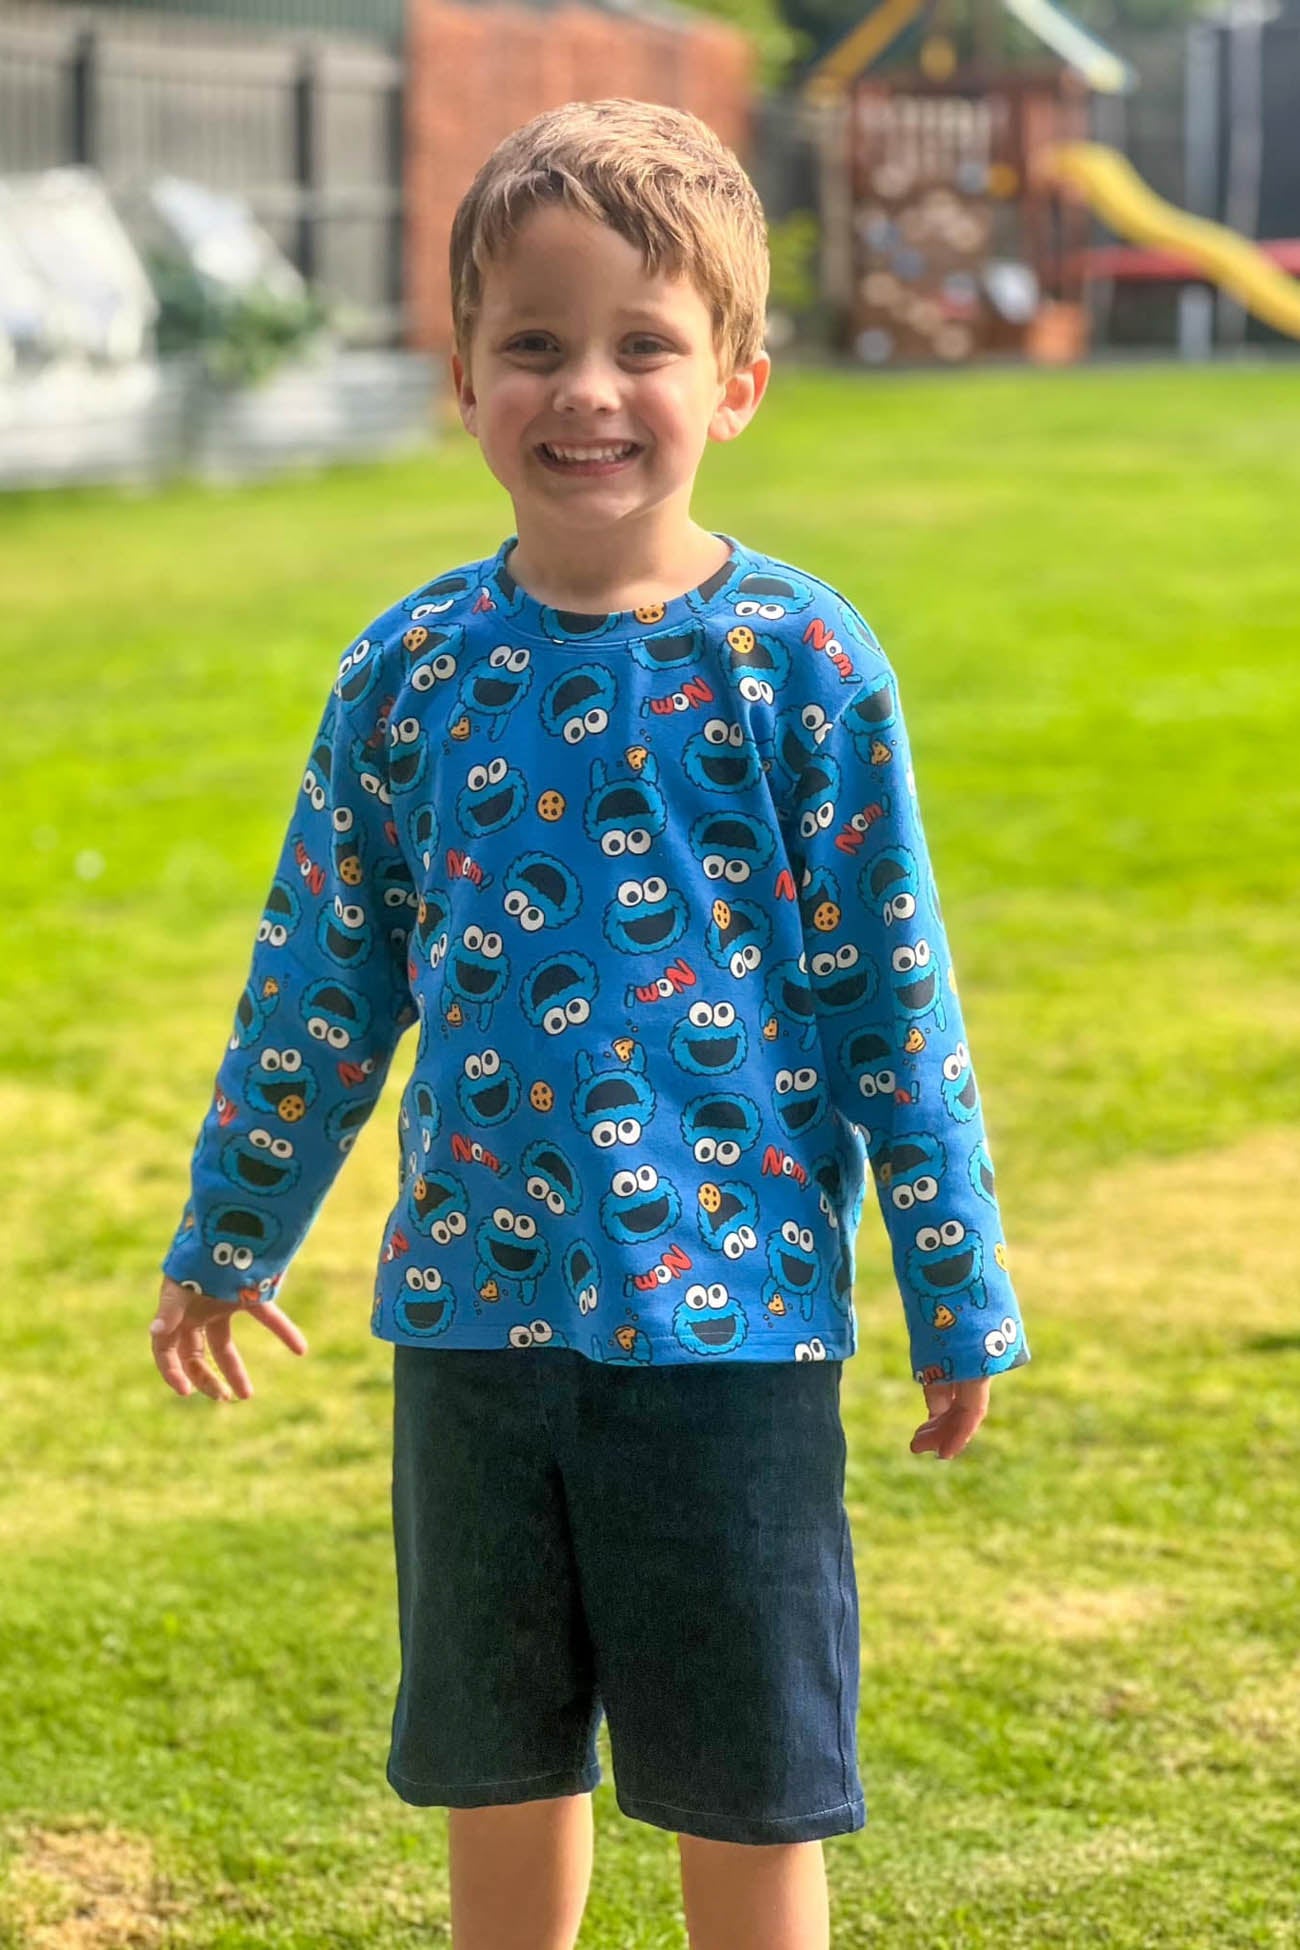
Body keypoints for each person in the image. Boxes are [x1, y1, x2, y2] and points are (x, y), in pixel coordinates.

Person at [151, 97, 1031, 1950]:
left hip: (734, 1335)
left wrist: (956, 1287)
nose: (588, 391)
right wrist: (231, 1228)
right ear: (462, 377)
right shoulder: (408, 674)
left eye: (646, 343)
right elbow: (321, 976)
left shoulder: (802, 666)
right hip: (473, 1330)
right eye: (536, 343)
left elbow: (897, 999)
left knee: (746, 1774)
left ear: (739, 384)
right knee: (499, 1757)